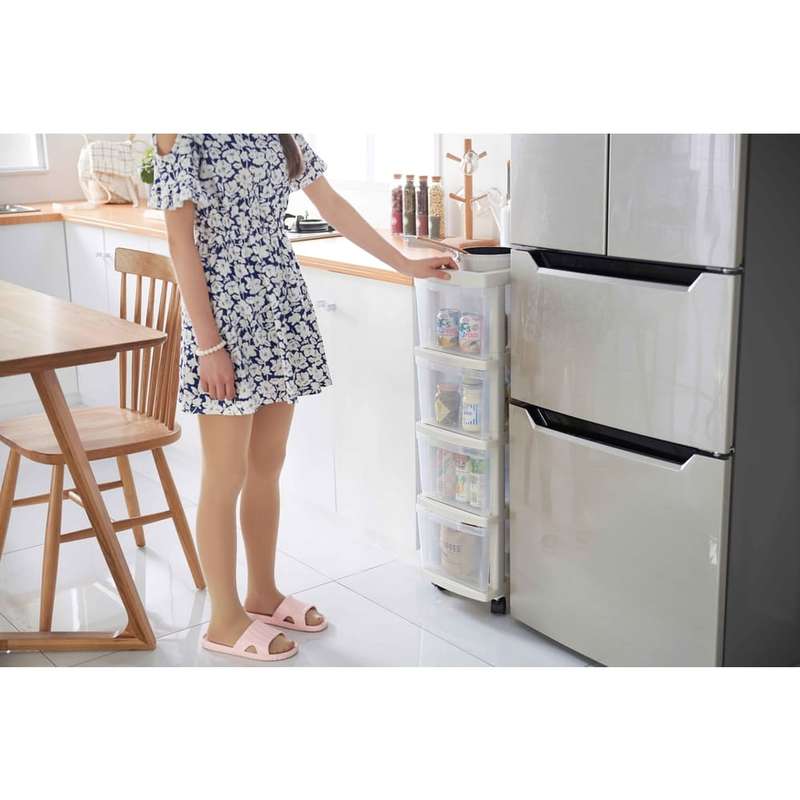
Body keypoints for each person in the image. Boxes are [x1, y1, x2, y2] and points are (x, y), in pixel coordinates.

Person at [150, 134, 455, 661]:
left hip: (279, 304)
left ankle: (262, 593)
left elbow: (331, 203)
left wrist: (402, 263)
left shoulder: (276, 127)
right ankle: (223, 619)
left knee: (267, 464)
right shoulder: (182, 130)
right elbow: (181, 244)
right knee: (225, 476)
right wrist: (208, 345)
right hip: (223, 316)